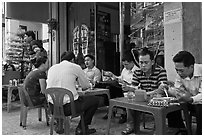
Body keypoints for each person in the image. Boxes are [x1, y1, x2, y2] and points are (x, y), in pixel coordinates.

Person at [46, 51, 99, 135]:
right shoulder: (75, 67)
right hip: (69, 108)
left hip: (53, 107)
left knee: (65, 99)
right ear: (72, 60)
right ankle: (82, 128)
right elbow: (85, 85)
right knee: (95, 100)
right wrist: (90, 84)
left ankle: (59, 124)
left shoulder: (52, 68)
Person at [121, 47, 171, 135]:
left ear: (152, 62)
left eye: (146, 62)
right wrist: (129, 88)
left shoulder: (161, 71)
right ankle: (131, 127)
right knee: (130, 102)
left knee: (158, 99)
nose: (143, 65)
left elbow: (161, 91)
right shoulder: (137, 72)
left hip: (156, 99)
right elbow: (134, 88)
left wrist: (143, 93)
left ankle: (158, 130)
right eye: (141, 62)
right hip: (144, 98)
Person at [168, 51, 202, 135]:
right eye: (177, 70)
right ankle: (180, 130)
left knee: (200, 106)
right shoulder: (180, 74)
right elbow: (178, 89)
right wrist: (170, 90)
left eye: (181, 70)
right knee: (172, 104)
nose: (179, 73)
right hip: (190, 101)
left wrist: (190, 98)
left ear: (191, 67)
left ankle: (200, 133)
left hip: (199, 102)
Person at [102, 51, 139, 124]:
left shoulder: (137, 71)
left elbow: (135, 85)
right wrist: (113, 76)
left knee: (116, 90)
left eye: (126, 64)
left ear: (132, 62)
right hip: (122, 86)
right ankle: (111, 109)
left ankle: (123, 113)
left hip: (130, 90)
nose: (125, 66)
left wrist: (125, 83)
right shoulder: (125, 70)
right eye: (124, 64)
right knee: (109, 88)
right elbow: (120, 78)